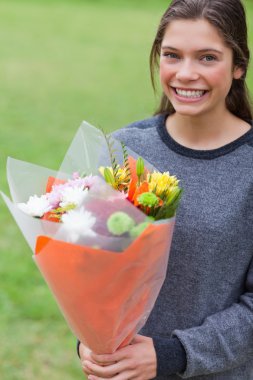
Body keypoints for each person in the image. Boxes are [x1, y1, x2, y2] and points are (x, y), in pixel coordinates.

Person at [78, 0, 253, 378]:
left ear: (239, 66)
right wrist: (88, 341)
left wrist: (171, 355)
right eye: (172, 55)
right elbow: (86, 268)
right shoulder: (123, 150)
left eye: (207, 58)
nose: (185, 73)